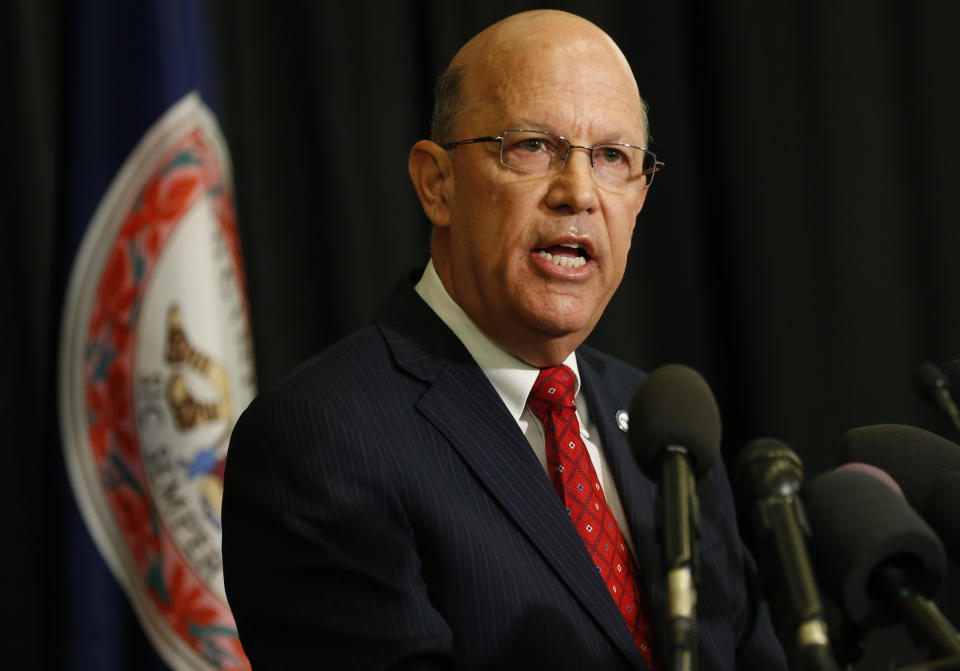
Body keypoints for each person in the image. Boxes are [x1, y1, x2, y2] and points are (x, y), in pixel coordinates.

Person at [222, 10, 786, 670]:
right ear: (438, 184)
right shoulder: (322, 437)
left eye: (611, 157)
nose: (578, 193)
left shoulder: (669, 430)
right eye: (532, 147)